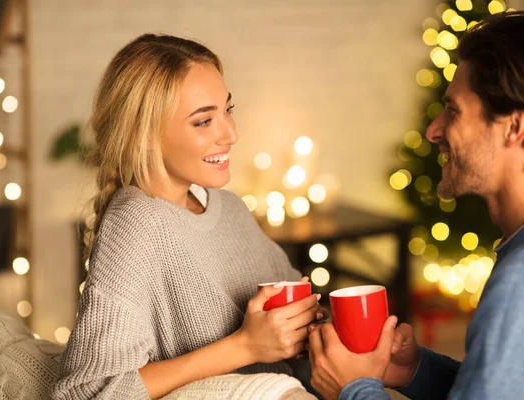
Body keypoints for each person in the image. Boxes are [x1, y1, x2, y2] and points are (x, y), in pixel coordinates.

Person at [50, 34, 325, 399]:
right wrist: (244, 346)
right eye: (203, 122)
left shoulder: (229, 208)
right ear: (142, 134)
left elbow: (295, 306)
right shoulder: (135, 224)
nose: (231, 134)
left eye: (227, 110)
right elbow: (87, 392)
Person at [307, 11, 524, 400]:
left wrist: (352, 389)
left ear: (515, 127)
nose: (434, 131)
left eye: (453, 111)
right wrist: (417, 369)